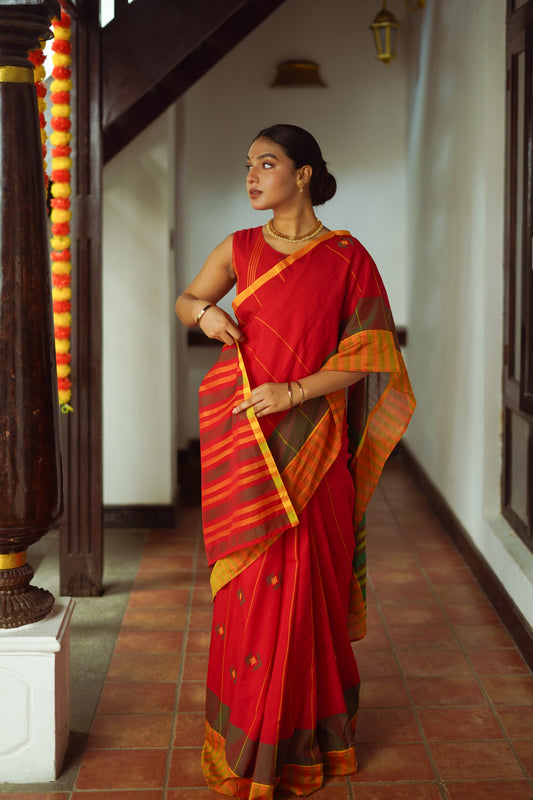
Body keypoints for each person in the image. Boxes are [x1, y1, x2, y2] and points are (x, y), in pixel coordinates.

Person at [175, 123, 415, 799]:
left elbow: (369, 354)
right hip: (246, 443)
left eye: (267, 163)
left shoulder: (346, 258)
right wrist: (204, 317)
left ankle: (307, 748)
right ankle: (247, 745)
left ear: (303, 174)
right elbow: (188, 298)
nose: (251, 176)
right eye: (248, 164)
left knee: (309, 592)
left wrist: (292, 390)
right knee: (249, 597)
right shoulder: (240, 248)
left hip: (314, 447)